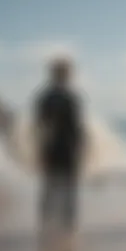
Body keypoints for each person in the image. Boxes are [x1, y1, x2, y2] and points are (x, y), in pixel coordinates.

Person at [34, 57, 84, 239]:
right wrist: (82, 147)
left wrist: (40, 149)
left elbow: (40, 125)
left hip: (50, 147)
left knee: (50, 186)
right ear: (67, 75)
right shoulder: (72, 98)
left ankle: (45, 225)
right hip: (68, 147)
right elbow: (77, 128)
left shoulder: (44, 98)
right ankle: (68, 229)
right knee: (69, 188)